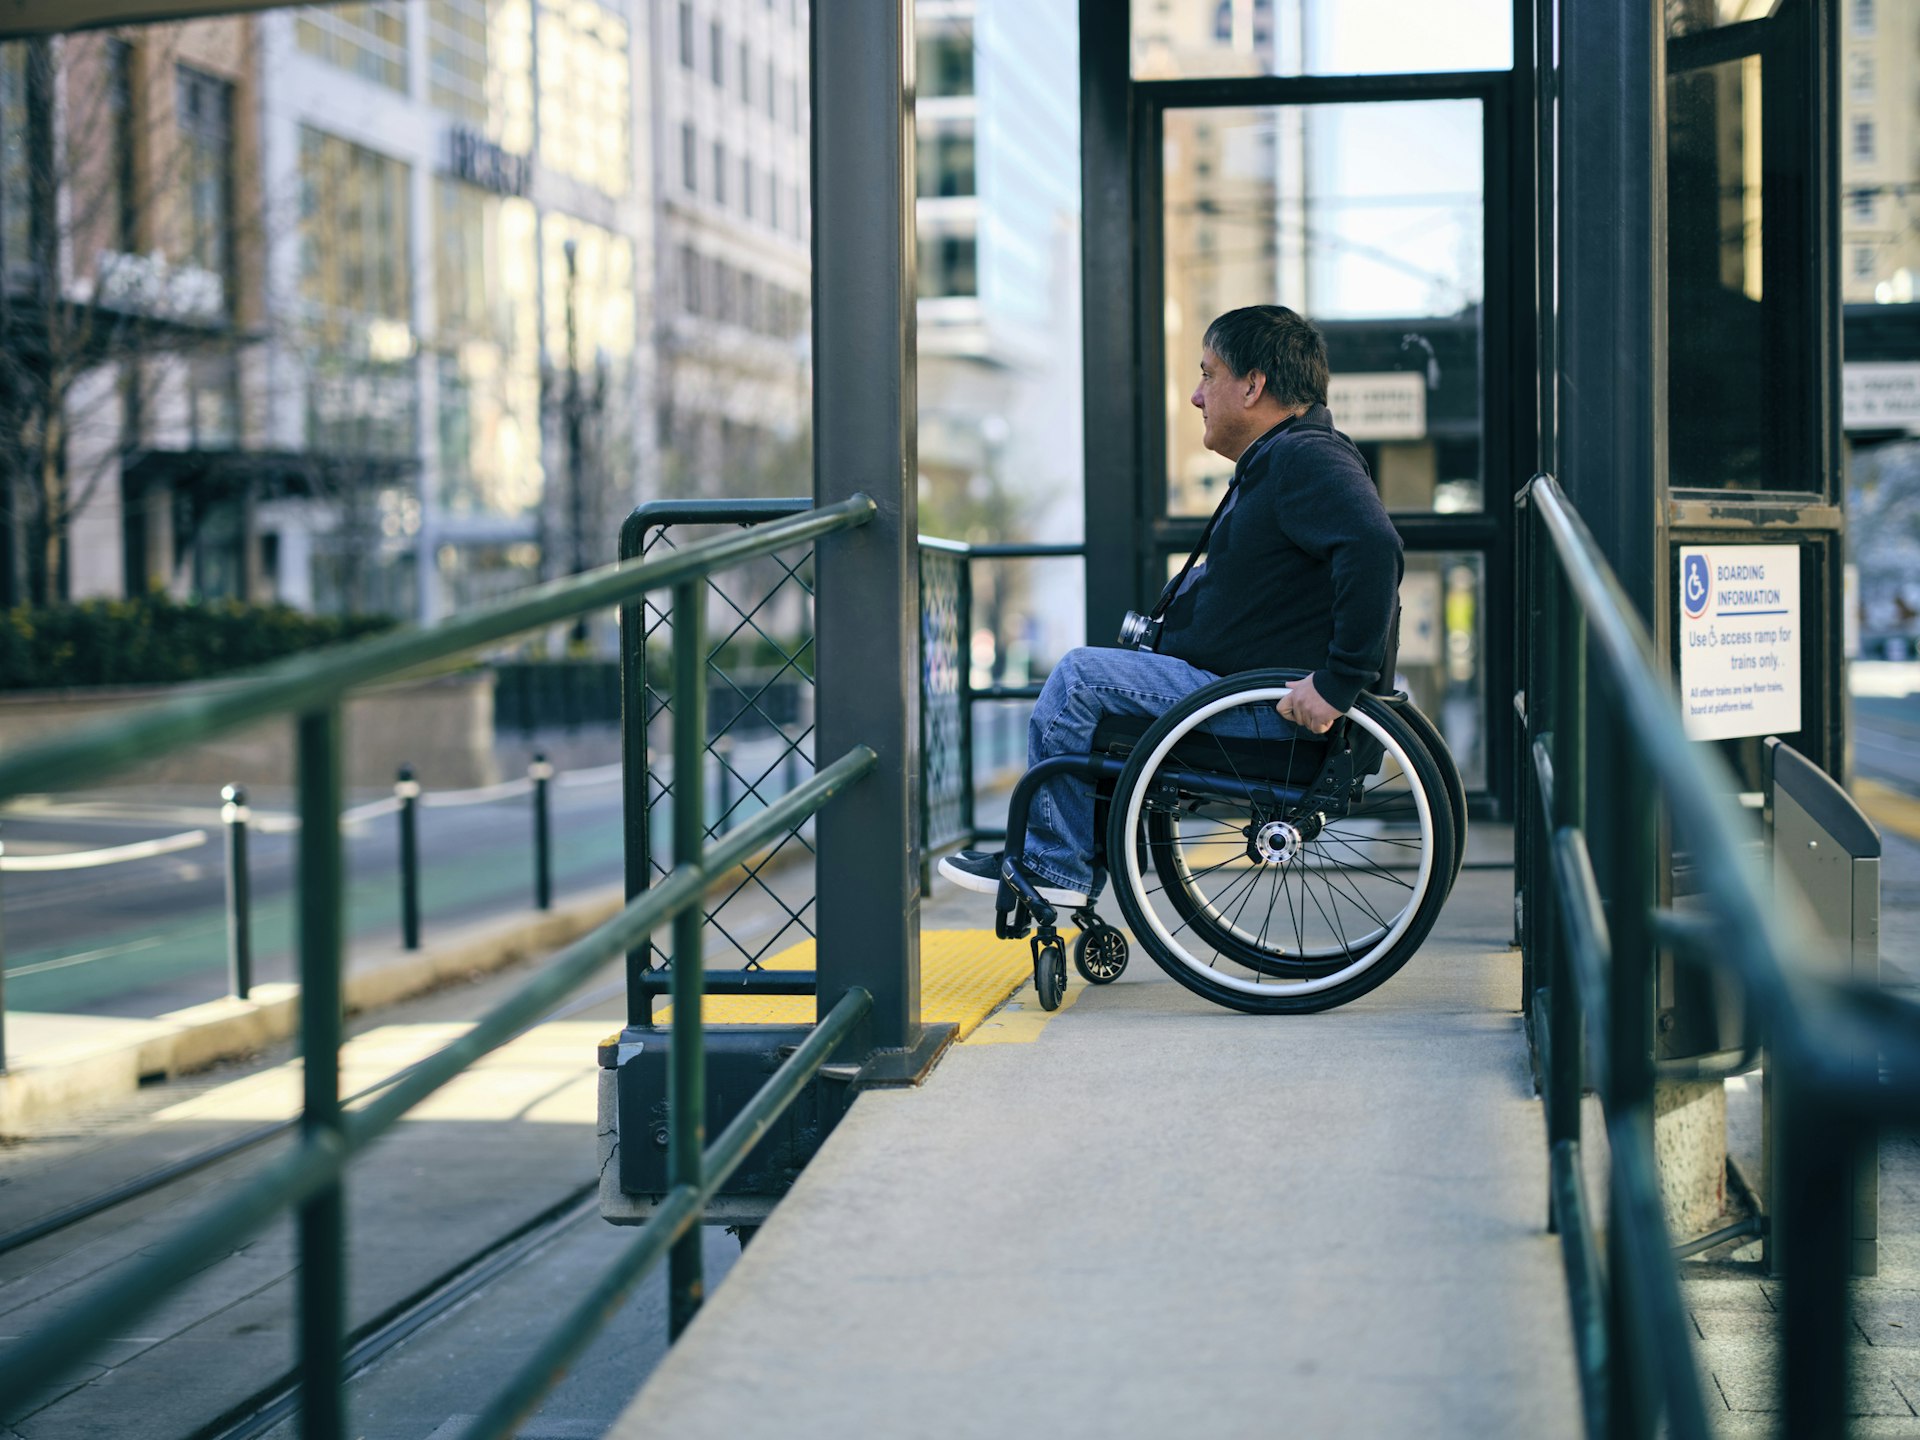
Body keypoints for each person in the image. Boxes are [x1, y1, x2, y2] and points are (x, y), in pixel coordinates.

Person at [938, 304, 1404, 908]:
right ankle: (1069, 859)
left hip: (1267, 708)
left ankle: (1055, 866)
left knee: (1079, 679)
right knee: (1101, 685)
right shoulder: (1286, 458)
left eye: (1208, 375)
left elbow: (1374, 547)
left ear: (1253, 385)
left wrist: (1339, 682)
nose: (1195, 396)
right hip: (1248, 693)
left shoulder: (1305, 457)